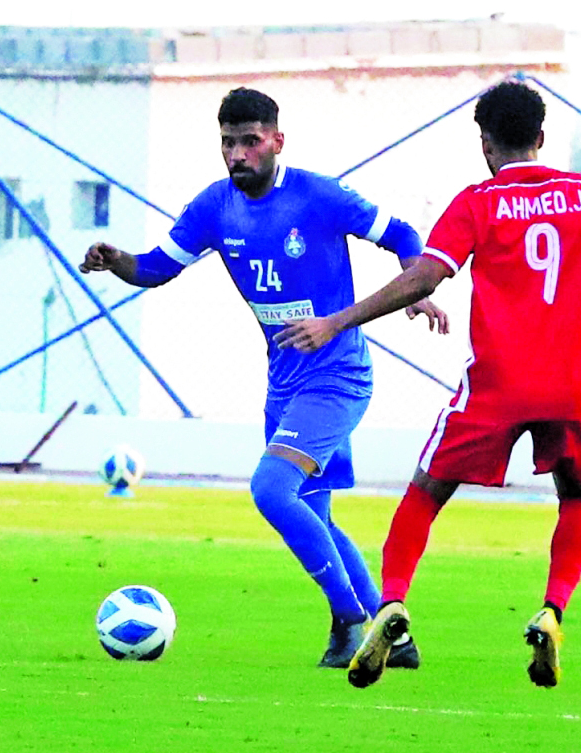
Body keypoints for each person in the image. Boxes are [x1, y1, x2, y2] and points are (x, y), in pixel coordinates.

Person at [276, 80, 581, 688]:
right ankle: (552, 611)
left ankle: (391, 604)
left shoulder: (477, 203)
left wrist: (336, 321)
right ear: (541, 138)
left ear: (486, 144)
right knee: (578, 498)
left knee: (425, 494)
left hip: (494, 388)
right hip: (568, 387)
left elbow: (422, 280)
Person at [79, 87, 447, 667]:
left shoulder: (319, 196)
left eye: (250, 141)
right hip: (284, 384)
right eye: (228, 143)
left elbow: (401, 234)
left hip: (337, 378)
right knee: (316, 512)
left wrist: (413, 289)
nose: (237, 154)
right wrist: (116, 259)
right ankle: (393, 638)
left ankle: (349, 621)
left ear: (277, 141)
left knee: (271, 490)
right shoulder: (213, 207)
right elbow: (154, 269)